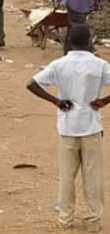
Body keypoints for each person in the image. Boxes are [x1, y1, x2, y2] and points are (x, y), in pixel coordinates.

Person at [26, 24, 110, 232]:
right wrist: (104, 101)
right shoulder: (99, 65)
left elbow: (31, 84)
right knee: (93, 177)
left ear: (69, 40)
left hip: (67, 127)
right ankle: (93, 220)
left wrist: (56, 101)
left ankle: (65, 219)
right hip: (91, 126)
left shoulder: (59, 64)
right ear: (89, 40)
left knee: (66, 177)